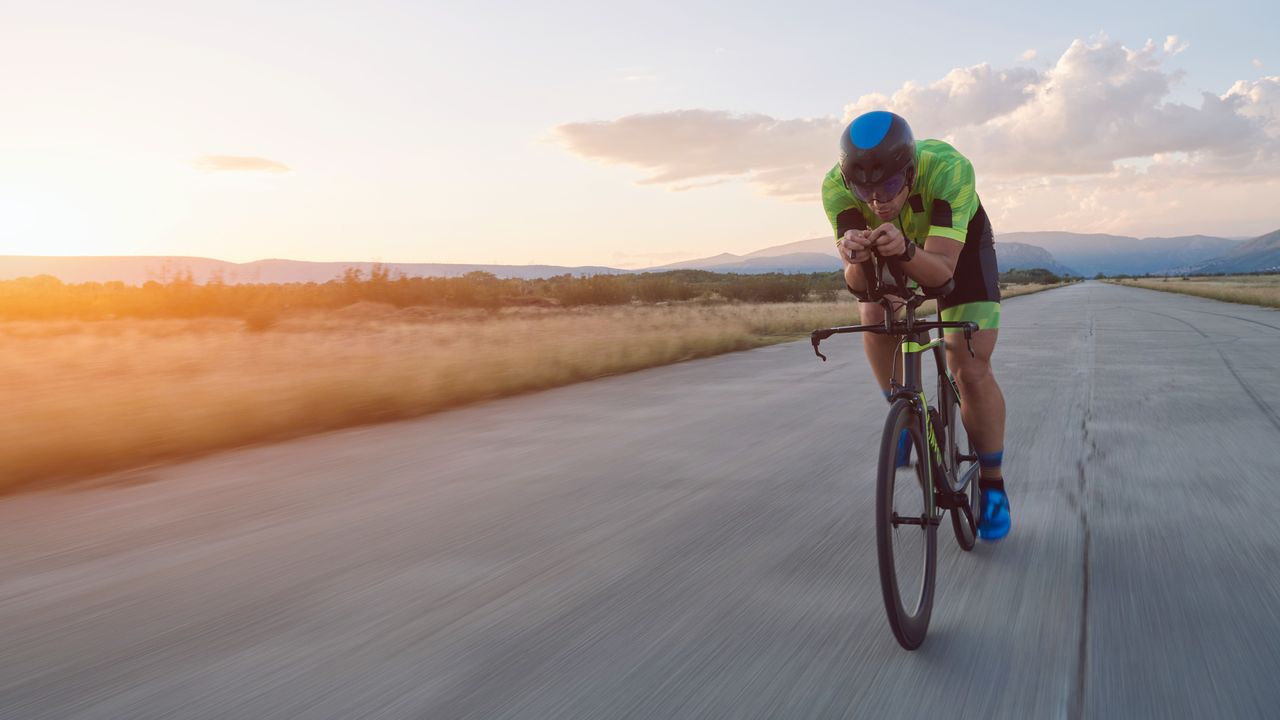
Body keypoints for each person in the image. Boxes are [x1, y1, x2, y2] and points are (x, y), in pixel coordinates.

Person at [820, 110, 1010, 541]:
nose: (876, 202)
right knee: (872, 312)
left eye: (888, 186)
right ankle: (903, 414)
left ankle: (993, 483)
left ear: (909, 171)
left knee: (969, 364)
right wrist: (854, 258)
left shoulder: (947, 169)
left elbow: (943, 275)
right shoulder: (836, 186)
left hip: (956, 250)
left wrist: (905, 248)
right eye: (863, 190)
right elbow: (858, 288)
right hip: (894, 245)